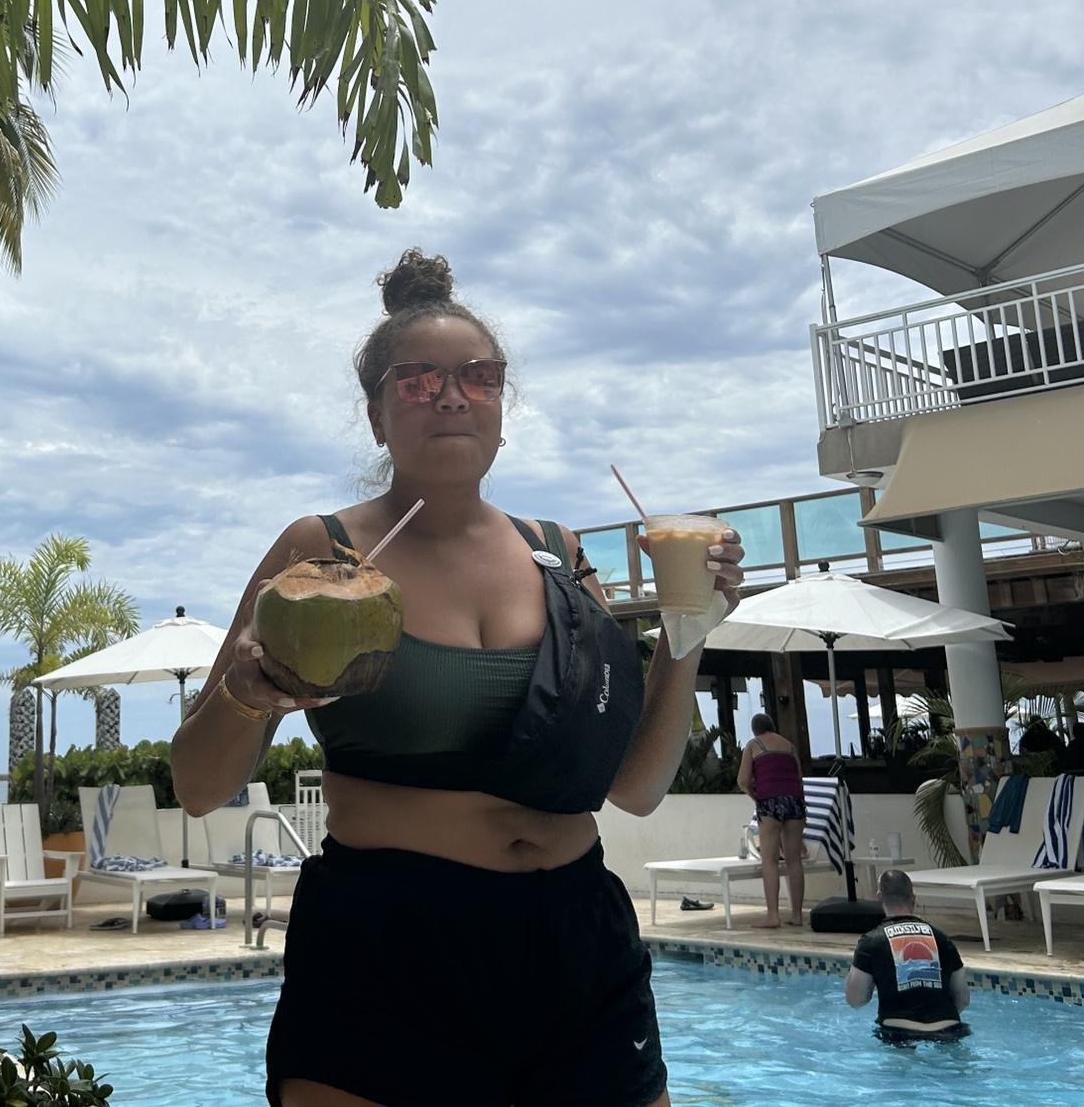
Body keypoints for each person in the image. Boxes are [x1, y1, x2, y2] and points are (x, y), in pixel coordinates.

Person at [171, 249, 746, 1107]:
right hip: (388, 946)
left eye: (481, 377)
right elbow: (196, 786)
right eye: (418, 381)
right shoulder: (323, 552)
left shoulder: (558, 554)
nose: (451, 396)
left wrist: (688, 635)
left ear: (502, 409)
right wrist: (249, 697)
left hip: (577, 939)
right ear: (376, 415)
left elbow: (633, 786)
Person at [845, 869, 970, 1044]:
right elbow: (963, 998)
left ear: (879, 897)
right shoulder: (941, 938)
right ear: (913, 898)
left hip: (899, 1032)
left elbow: (856, 1000)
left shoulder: (871, 942)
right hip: (949, 1028)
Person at [735, 712, 807, 928]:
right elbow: (799, 779)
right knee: (794, 861)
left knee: (770, 860)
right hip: (795, 802)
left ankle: (773, 915)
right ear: (773, 726)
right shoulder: (790, 746)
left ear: (754, 730)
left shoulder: (753, 745)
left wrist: (755, 797)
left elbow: (742, 780)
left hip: (770, 802)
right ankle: (797, 915)